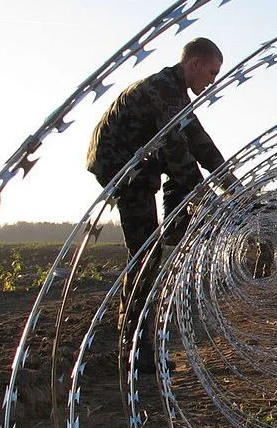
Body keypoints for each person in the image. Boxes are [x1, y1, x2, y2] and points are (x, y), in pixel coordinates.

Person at [86, 37, 226, 372]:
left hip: (139, 166)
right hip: (123, 168)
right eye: (211, 72)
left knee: (149, 251)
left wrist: (234, 188)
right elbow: (177, 150)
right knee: (146, 255)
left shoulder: (176, 94)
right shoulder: (163, 90)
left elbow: (200, 143)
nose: (213, 81)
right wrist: (209, 201)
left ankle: (177, 227)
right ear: (194, 63)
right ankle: (135, 350)